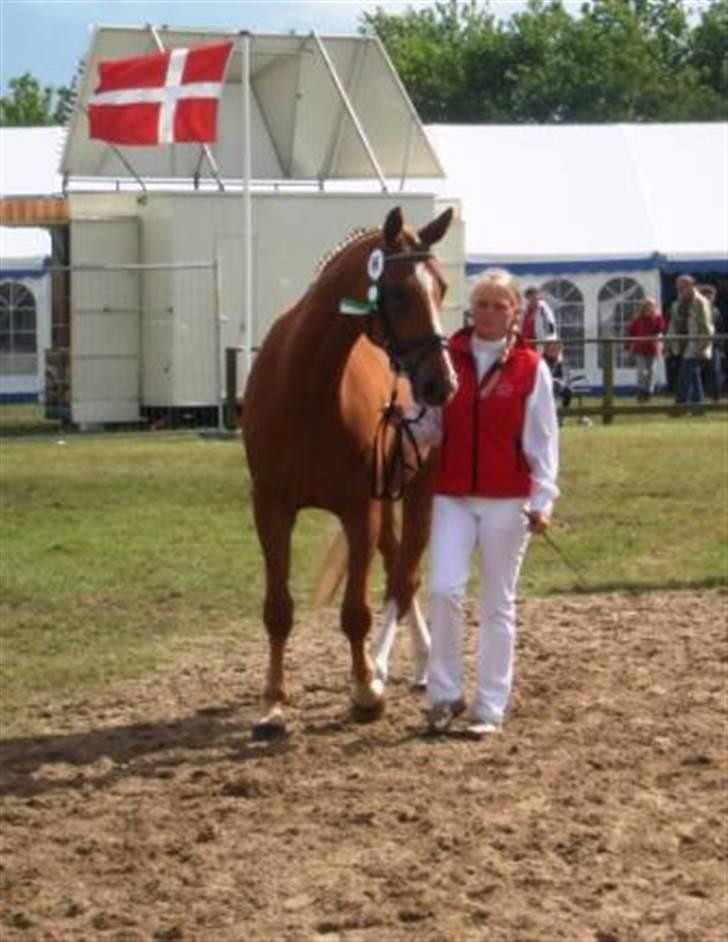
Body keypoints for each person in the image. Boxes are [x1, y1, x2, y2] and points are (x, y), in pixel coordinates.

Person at [409, 269, 559, 738]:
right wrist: (403, 425)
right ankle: (443, 695)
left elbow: (543, 442)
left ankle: (489, 706)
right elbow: (431, 426)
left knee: (497, 604)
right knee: (443, 592)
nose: (489, 313)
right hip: (452, 496)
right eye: (482, 304)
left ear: (516, 312)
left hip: (507, 501)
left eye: (500, 305)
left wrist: (543, 499)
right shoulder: (446, 358)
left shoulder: (531, 369)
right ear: (470, 310)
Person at [666, 275, 714, 410]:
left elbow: (706, 326)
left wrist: (704, 346)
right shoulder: (677, 303)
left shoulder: (700, 302)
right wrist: (667, 344)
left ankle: (679, 406)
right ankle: (698, 407)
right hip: (682, 343)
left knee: (684, 374)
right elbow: (672, 325)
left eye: (683, 286)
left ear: (691, 285)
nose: (680, 289)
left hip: (696, 344)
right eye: (678, 286)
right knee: (694, 375)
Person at [626, 298, 666, 402]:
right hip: (640, 348)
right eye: (647, 306)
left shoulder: (657, 318)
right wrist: (628, 345)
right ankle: (641, 390)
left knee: (651, 371)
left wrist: (655, 317)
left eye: (651, 306)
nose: (649, 308)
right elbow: (631, 332)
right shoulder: (637, 320)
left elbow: (660, 328)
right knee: (641, 371)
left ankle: (649, 391)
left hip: (652, 348)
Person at [697, 285, 722, 401]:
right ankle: (698, 397)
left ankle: (716, 396)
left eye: (711, 297)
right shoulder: (696, 311)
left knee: (715, 370)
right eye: (707, 297)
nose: (710, 299)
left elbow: (720, 327)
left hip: (713, 345)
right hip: (699, 344)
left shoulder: (716, 311)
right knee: (697, 371)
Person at [519, 287, 558, 351]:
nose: (535, 301)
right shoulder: (521, 309)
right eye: (533, 298)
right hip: (523, 344)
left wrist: (552, 338)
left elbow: (551, 323)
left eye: (537, 298)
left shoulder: (543, 308)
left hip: (538, 342)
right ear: (527, 299)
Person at [542, 339, 573, 417]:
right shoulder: (542, 361)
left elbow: (565, 377)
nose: (553, 351)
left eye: (556, 349)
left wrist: (559, 363)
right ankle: (551, 415)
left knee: (567, 389)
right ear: (546, 350)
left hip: (560, 385)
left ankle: (561, 414)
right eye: (551, 349)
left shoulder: (562, 362)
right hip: (546, 385)